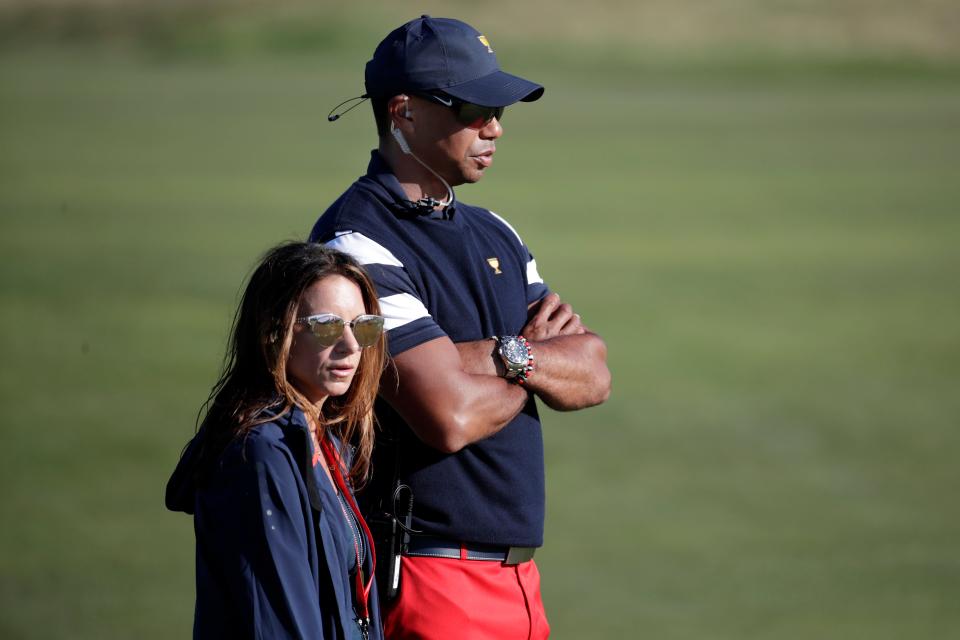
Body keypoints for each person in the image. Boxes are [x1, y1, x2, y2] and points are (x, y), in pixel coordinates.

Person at [311, 16, 612, 639]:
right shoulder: (358, 243)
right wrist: (530, 358)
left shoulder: (496, 232)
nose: (494, 127)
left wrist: (494, 358)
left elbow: (593, 374)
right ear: (404, 112)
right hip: (428, 579)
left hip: (519, 585)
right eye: (473, 108)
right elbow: (447, 415)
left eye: (498, 110)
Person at [165, 242, 389, 639]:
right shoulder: (262, 454)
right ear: (273, 331)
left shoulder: (325, 441)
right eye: (327, 326)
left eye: (363, 326)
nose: (351, 346)